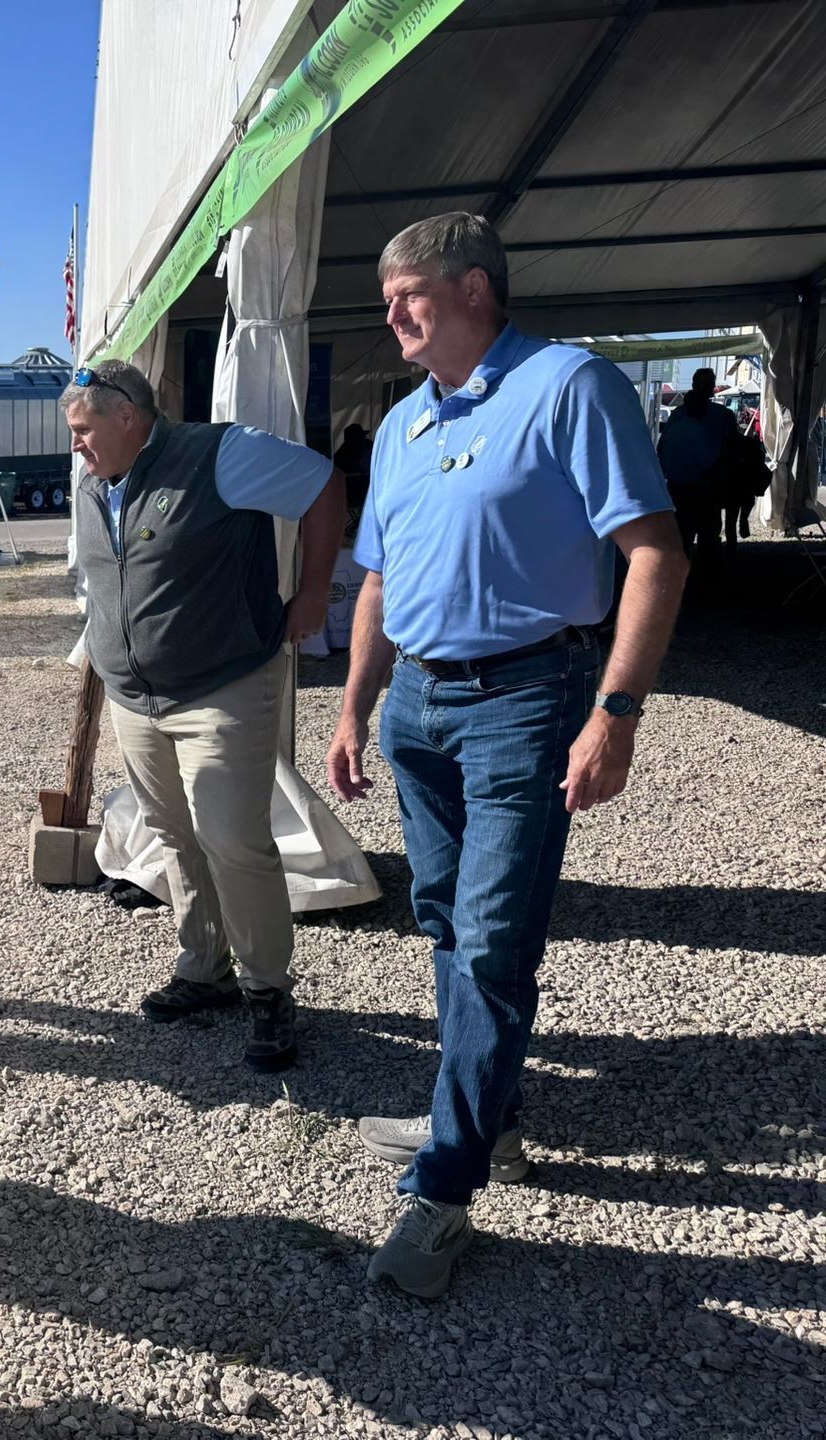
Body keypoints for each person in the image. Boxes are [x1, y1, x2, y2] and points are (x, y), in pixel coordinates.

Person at [325, 214, 686, 1299]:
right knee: (442, 921)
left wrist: (615, 712)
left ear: (476, 288)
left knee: (489, 939)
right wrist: (354, 710)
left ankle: (446, 1182)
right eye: (387, 299)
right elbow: (377, 583)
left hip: (528, 699)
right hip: (420, 709)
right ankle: (488, 1122)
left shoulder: (568, 387)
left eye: (410, 297)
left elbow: (654, 551)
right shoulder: (402, 426)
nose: (390, 317)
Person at [64, 358, 345, 1074]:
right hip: (136, 697)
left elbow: (322, 486)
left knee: (233, 840)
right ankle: (203, 967)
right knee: (173, 835)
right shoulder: (95, 483)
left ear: (128, 414)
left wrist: (312, 594)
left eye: (85, 430)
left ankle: (268, 990)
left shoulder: (221, 454)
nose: (77, 447)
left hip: (222, 686)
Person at [656, 367, 738, 576]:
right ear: (712, 389)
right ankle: (707, 583)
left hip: (677, 486)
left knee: (681, 536)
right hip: (707, 486)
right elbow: (732, 453)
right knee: (708, 537)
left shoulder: (677, 415)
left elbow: (661, 450)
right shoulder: (723, 416)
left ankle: (679, 583)